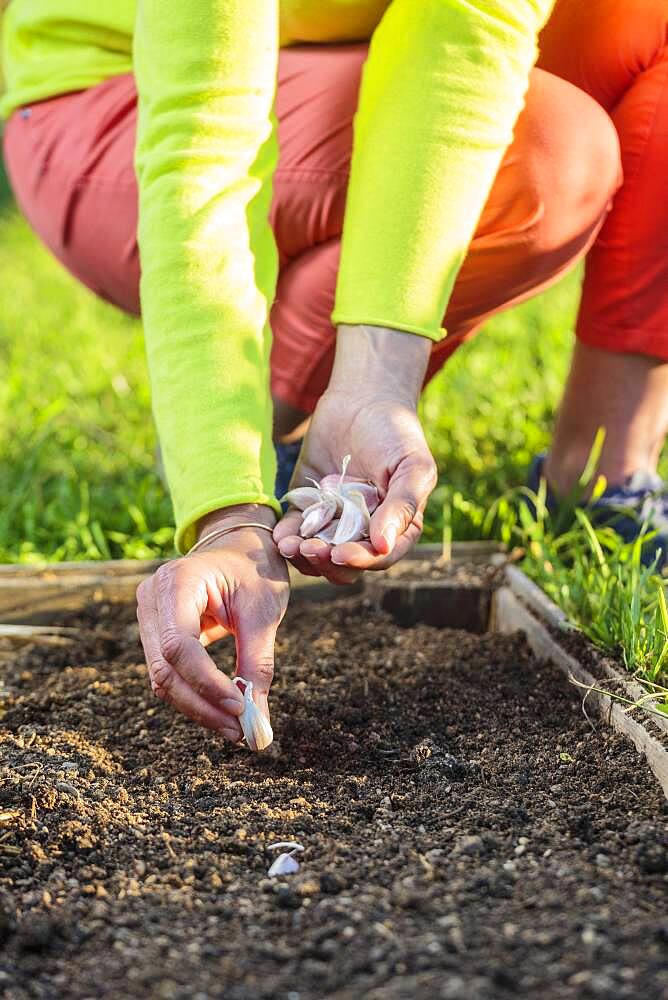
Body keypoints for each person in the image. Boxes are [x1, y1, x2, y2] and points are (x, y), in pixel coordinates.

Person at [2, 2, 667, 742]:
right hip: (110, 94)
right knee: (551, 150)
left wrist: (375, 384)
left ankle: (605, 471)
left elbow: (460, 36)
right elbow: (205, 152)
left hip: (349, 56)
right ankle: (250, 421)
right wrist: (226, 505)